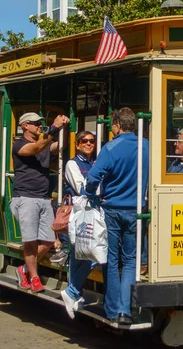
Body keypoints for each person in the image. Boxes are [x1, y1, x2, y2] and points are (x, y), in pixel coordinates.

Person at [85, 108, 149, 325]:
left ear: (117, 125)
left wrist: (90, 193)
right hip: (136, 210)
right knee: (131, 260)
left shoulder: (110, 147)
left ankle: (111, 310)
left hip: (111, 209)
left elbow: (93, 177)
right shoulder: (147, 146)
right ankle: (125, 310)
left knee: (111, 260)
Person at [10, 111, 70, 293]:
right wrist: (54, 127)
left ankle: (25, 269)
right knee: (30, 242)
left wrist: (64, 128)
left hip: (43, 198)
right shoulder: (19, 145)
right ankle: (35, 278)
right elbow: (36, 148)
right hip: (25, 198)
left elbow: (60, 145)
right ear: (24, 126)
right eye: (35, 123)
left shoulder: (44, 144)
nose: (38, 125)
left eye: (40, 123)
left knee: (49, 240)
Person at [60, 130, 96, 319]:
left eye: (91, 141)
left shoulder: (95, 162)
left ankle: (73, 293)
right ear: (77, 144)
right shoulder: (72, 164)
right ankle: (73, 292)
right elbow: (81, 187)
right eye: (85, 141)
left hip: (92, 214)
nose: (88, 144)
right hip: (78, 214)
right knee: (86, 255)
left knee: (83, 255)